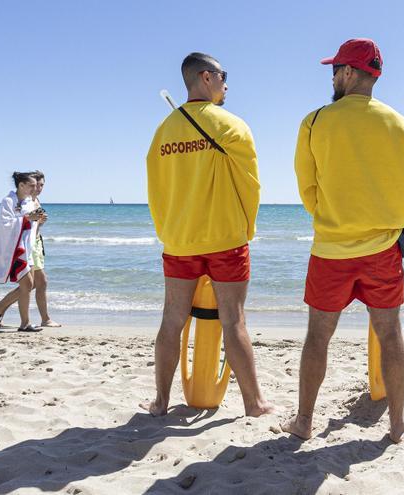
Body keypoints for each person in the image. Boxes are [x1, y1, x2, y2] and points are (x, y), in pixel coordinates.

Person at [283, 38, 404, 443]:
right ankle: (396, 425)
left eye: (335, 69)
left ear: (348, 72)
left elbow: (307, 186)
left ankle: (304, 422)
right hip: (382, 249)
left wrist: (334, 216)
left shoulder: (316, 120)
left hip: (331, 249)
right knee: (390, 334)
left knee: (318, 336)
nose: (333, 77)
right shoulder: (400, 124)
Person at [140, 52, 273, 417]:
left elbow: (156, 187)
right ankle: (255, 403)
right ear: (206, 77)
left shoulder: (164, 131)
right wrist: (247, 229)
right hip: (225, 239)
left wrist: (168, 230)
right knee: (234, 320)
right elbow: (251, 186)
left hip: (180, 240)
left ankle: (161, 402)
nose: (227, 84)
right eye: (223, 75)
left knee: (172, 320)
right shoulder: (231, 125)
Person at [0, 170, 61, 328]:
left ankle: (0, 309)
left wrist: (39, 221)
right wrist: (29, 219)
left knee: (33, 283)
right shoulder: (8, 201)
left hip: (30, 246)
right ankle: (25, 321)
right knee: (30, 283)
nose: (37, 189)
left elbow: (31, 225)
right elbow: (6, 224)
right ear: (22, 185)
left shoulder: (29, 202)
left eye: (40, 186)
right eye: (34, 185)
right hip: (17, 248)